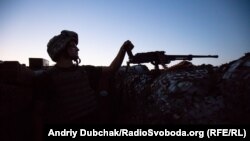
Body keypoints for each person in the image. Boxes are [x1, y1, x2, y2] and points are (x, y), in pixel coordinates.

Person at [33, 30, 134, 140]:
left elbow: (111, 69)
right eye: (72, 46)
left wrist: (123, 49)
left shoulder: (85, 71)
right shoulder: (46, 78)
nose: (77, 48)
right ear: (61, 49)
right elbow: (38, 114)